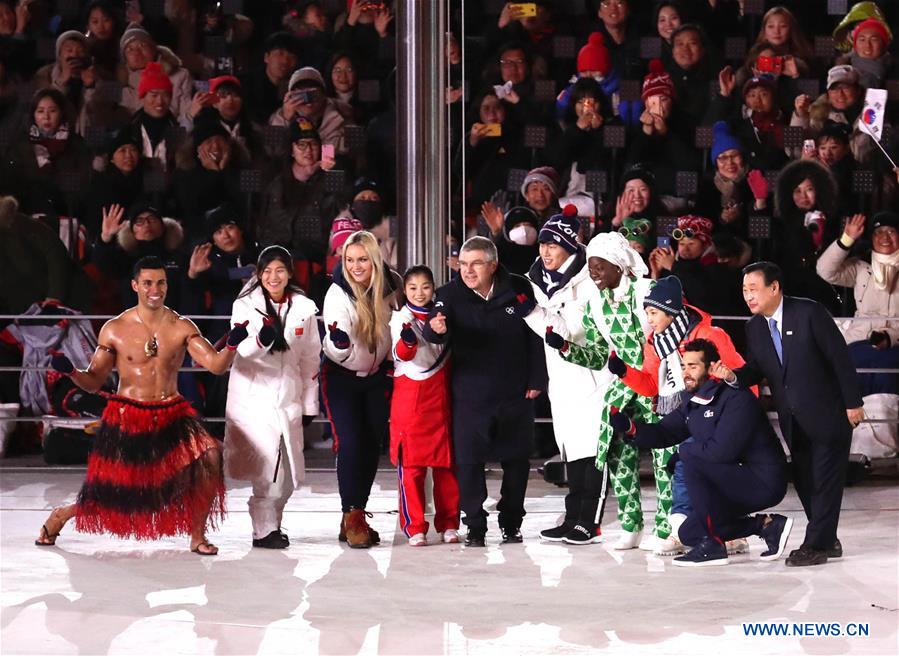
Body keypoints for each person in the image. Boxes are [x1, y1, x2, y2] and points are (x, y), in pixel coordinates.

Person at [34, 255, 253, 555]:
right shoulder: (114, 328)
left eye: (161, 282)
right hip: (128, 416)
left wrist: (231, 344)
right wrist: (71, 372)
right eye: (148, 282)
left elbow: (215, 366)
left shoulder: (181, 326)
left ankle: (197, 535)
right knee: (117, 495)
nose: (155, 289)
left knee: (211, 456)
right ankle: (61, 515)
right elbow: (93, 382)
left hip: (172, 413)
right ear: (135, 285)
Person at [710, 261, 864, 567]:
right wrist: (732, 375)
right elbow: (756, 368)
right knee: (806, 481)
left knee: (825, 481)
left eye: (754, 289)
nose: (748, 296)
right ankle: (827, 538)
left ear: (774, 287)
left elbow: (840, 359)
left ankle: (816, 544)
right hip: (793, 420)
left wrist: (853, 403)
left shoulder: (809, 313)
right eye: (744, 290)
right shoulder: (754, 327)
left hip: (830, 415)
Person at [545, 232, 675, 551]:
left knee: (663, 459)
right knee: (617, 457)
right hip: (621, 389)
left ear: (618, 265)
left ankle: (666, 526)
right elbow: (599, 356)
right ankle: (631, 525)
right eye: (590, 266)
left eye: (599, 266)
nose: (594, 272)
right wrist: (566, 348)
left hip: (655, 386)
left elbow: (670, 334)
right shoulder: (594, 306)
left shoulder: (647, 291)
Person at [611, 339, 792, 567]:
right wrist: (630, 427)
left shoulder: (738, 399)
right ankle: (766, 526)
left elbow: (721, 453)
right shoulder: (693, 400)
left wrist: (683, 454)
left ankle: (714, 546)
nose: (686, 372)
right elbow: (665, 431)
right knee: (689, 533)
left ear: (711, 368)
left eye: (693, 366)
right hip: (733, 480)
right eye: (684, 366)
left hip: (764, 481)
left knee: (691, 457)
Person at [606, 275, 750, 554]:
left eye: (654, 312)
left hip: (716, 417)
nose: (650, 319)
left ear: (671, 311)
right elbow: (651, 386)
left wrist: (740, 420)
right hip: (682, 417)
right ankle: (685, 531)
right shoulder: (656, 342)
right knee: (685, 473)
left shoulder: (710, 336)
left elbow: (740, 377)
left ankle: (720, 533)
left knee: (703, 474)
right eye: (647, 313)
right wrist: (623, 371)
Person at [423, 236, 547, 547]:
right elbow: (433, 327)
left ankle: (511, 522)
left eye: (476, 263)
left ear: (492, 265)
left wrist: (537, 379)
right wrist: (435, 330)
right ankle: (475, 524)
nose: (468, 270)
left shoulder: (519, 287)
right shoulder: (448, 295)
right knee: (469, 461)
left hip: (515, 392)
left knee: (517, 460)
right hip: (469, 395)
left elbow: (535, 335)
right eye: (463, 264)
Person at [523, 206, 610, 545]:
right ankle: (572, 516)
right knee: (570, 449)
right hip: (560, 379)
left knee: (592, 450)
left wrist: (532, 312)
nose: (546, 251)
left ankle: (590, 521)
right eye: (543, 244)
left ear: (571, 246)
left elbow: (573, 333)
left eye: (554, 245)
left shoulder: (592, 279)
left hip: (592, 376)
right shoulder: (537, 280)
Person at [224, 246, 322, 549]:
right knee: (267, 471)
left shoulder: (304, 308)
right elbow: (242, 350)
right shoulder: (245, 305)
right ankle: (263, 530)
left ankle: (272, 524)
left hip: (288, 396)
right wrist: (262, 339)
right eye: (266, 271)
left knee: (289, 476)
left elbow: (310, 358)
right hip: (253, 397)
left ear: (289, 273)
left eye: (279, 270)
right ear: (258, 274)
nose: (272, 276)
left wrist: (309, 404)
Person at [321, 230, 403, 549]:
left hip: (376, 377)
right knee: (351, 442)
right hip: (340, 375)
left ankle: (355, 514)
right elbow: (335, 341)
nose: (356, 266)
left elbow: (402, 317)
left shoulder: (387, 287)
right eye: (350, 260)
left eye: (362, 260)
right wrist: (339, 343)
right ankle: (351, 514)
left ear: (374, 260)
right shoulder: (336, 293)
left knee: (371, 444)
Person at [389, 265, 460, 547]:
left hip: (440, 397)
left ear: (434, 288)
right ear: (404, 290)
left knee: (446, 466)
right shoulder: (399, 319)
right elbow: (402, 354)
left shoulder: (444, 315)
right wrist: (408, 342)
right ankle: (415, 525)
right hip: (411, 400)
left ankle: (450, 523)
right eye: (413, 288)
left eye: (426, 287)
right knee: (412, 468)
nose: (420, 293)